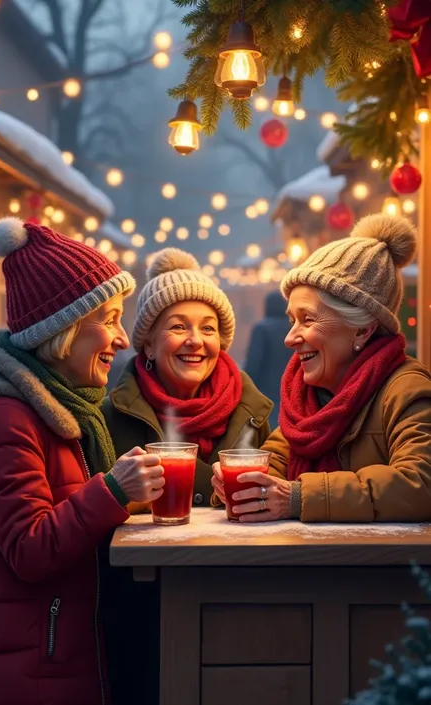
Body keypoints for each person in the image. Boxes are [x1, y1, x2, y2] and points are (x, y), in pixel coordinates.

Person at [0, 218, 165, 705]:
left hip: (52, 659)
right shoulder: (4, 418)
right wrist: (114, 490)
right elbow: (30, 548)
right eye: (109, 319)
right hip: (21, 675)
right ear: (65, 329)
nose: (121, 338)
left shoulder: (63, 407)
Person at [103, 247, 272, 705]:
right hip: (145, 615)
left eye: (209, 328)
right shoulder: (109, 414)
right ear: (148, 344)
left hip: (239, 607)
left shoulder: (254, 414)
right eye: (178, 326)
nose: (196, 340)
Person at [212, 213, 431, 523]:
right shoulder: (308, 394)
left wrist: (298, 498)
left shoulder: (406, 388)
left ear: (362, 328)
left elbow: (421, 484)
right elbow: (275, 462)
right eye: (292, 320)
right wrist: (242, 483)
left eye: (308, 319)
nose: (289, 338)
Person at [244, 289, 292, 427]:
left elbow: (253, 362)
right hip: (290, 388)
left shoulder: (262, 328)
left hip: (265, 390)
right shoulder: (293, 328)